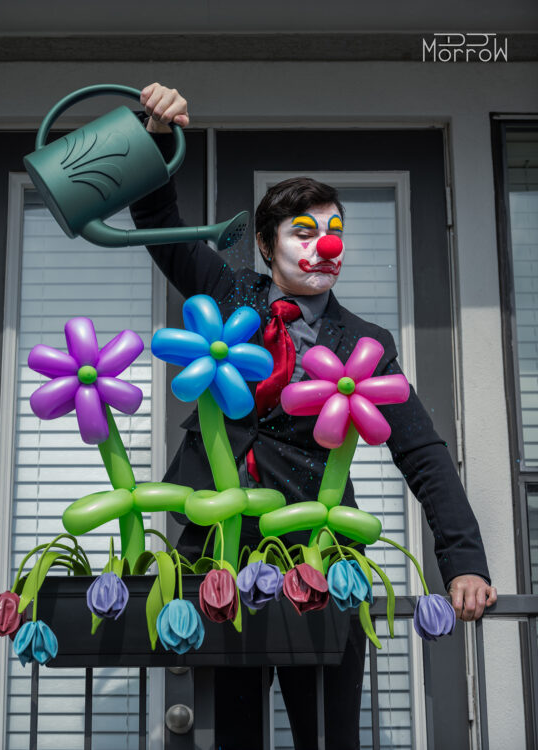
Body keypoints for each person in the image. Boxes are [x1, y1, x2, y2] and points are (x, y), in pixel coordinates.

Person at [130, 83, 498, 750]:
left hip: (321, 564)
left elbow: (422, 451)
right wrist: (155, 135)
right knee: (230, 735)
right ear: (267, 247)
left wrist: (464, 562)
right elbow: (158, 221)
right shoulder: (229, 294)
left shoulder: (366, 344)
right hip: (216, 555)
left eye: (334, 233)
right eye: (305, 233)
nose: (323, 247)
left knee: (328, 737)